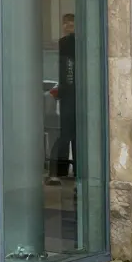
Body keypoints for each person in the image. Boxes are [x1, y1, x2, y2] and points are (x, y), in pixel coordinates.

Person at [49, 13, 77, 184]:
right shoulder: (64, 43)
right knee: (68, 133)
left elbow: (68, 71)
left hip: (72, 94)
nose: (68, 26)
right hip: (68, 94)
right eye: (65, 23)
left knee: (70, 133)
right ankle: (63, 170)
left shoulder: (72, 43)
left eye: (71, 23)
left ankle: (61, 170)